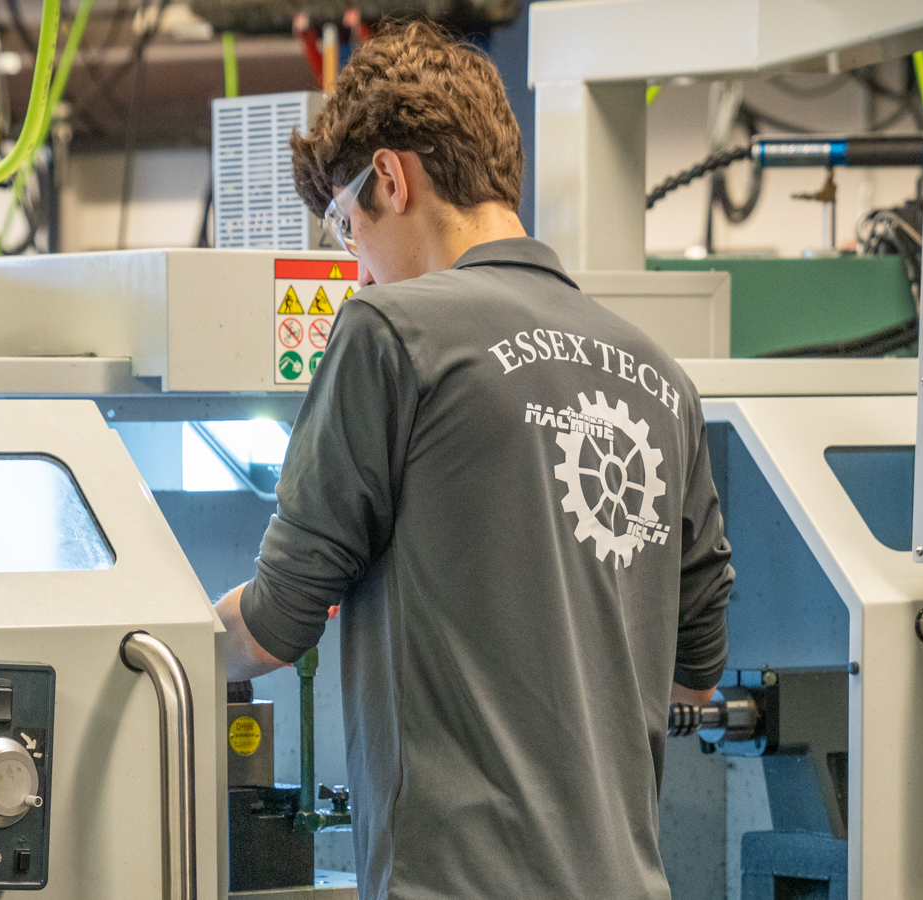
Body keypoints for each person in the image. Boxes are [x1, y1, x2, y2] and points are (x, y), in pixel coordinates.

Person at [212, 22, 733, 900]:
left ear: (389, 176)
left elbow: (275, 624)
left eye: (346, 229)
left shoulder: (389, 333)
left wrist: (147, 652)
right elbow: (696, 662)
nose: (358, 272)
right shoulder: (660, 376)